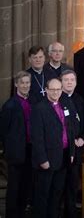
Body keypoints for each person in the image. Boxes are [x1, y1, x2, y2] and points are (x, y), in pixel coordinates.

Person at [30, 78, 76, 218]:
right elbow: (37, 137)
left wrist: (72, 152)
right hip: (47, 160)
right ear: (47, 90)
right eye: (53, 89)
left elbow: (71, 130)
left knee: (57, 193)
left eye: (58, 89)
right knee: (43, 195)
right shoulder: (39, 108)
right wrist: (42, 159)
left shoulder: (65, 104)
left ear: (61, 90)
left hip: (63, 156)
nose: (56, 92)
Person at [0, 71, 33, 218]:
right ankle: (11, 214)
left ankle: (21, 212)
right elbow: (3, 130)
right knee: (14, 186)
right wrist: (7, 150)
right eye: (22, 83)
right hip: (15, 152)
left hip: (29, 150)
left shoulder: (32, 102)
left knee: (26, 184)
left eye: (27, 83)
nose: (25, 85)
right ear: (16, 84)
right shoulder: (10, 105)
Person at [60, 70, 84, 218]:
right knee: (61, 183)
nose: (69, 82)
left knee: (73, 181)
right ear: (61, 82)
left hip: (78, 147)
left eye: (72, 80)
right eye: (66, 80)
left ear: (76, 83)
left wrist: (82, 137)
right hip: (63, 149)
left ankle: (70, 210)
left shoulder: (79, 99)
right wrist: (72, 140)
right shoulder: (59, 99)